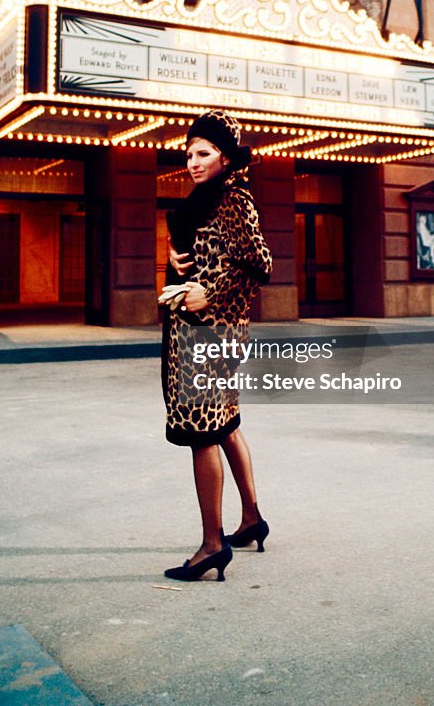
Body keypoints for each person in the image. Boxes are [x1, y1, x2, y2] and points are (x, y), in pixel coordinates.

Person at [161, 110, 273, 582]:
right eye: (188, 153)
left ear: (225, 158)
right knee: (224, 424)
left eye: (203, 153)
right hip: (201, 330)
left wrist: (212, 290)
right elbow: (211, 255)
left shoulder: (233, 198)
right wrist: (175, 260)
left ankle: (212, 546)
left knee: (201, 433)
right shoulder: (203, 200)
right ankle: (250, 520)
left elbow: (259, 262)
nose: (192, 161)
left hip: (210, 334)